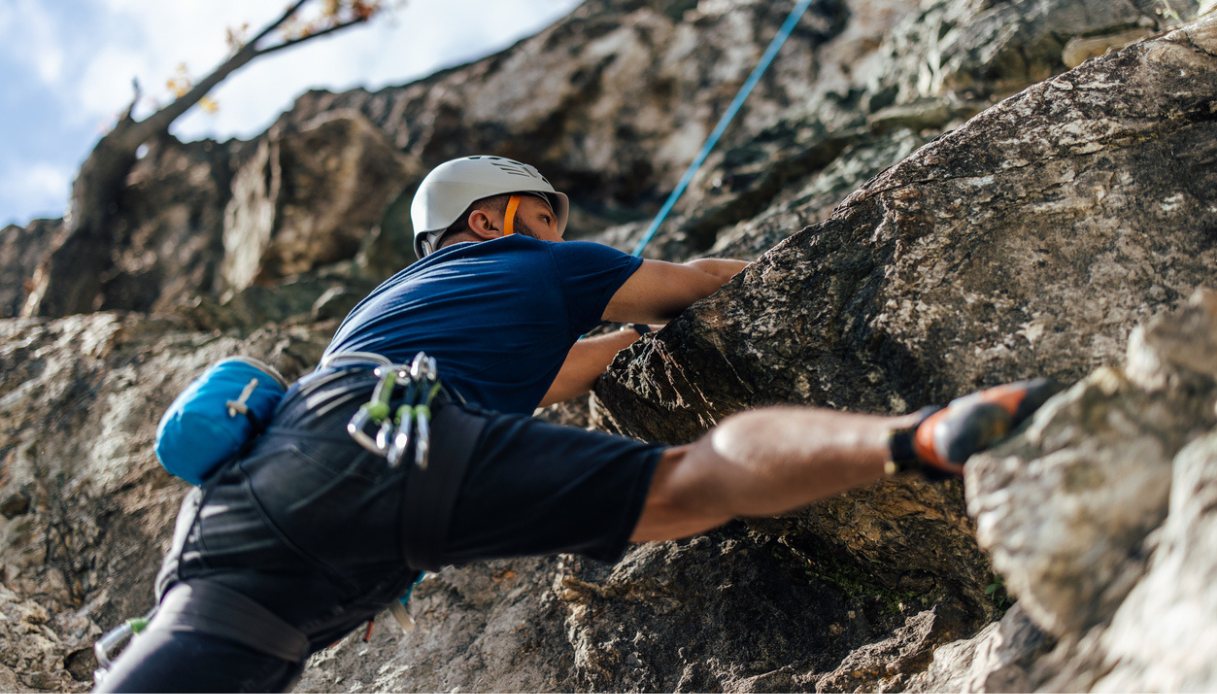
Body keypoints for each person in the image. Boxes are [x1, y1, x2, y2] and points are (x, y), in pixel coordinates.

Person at [96, 155, 1059, 692]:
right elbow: (692, 293)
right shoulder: (531, 264)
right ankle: (918, 439)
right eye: (539, 217)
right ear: (489, 220)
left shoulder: (385, 311)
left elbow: (565, 371)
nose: (555, 234)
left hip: (249, 538)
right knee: (689, 485)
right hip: (397, 449)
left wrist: (612, 328)